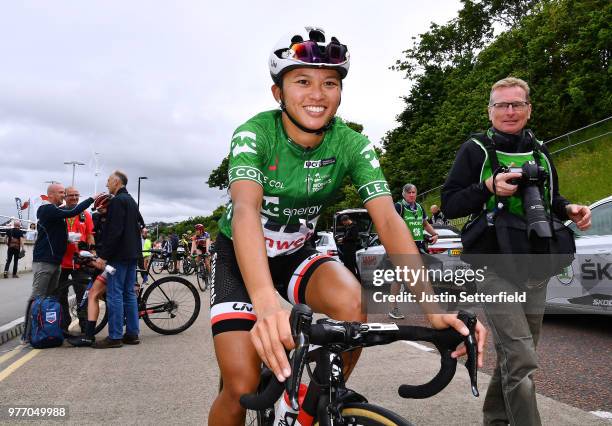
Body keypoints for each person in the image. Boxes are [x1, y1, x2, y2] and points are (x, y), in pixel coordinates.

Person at [208, 26, 487, 425]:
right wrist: (266, 301)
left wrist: (431, 307)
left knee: (355, 307)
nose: (317, 94)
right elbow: (247, 208)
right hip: (239, 254)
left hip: (294, 252)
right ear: (278, 93)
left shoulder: (351, 144)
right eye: (302, 81)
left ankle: (312, 408)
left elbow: (388, 220)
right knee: (241, 387)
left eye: (330, 82)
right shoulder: (255, 134)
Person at [442, 77, 591, 426]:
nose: (509, 111)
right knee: (521, 356)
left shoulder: (540, 149)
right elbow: (450, 203)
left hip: (535, 262)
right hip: (493, 264)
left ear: (528, 109)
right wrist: (488, 187)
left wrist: (569, 209)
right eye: (501, 105)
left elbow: (551, 199)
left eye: (517, 104)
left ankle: (495, 420)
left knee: (518, 356)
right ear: (489, 111)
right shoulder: (475, 150)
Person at [21, 183, 96, 343]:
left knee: (50, 297)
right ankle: (27, 334)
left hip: (56, 261)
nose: (64, 196)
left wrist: (69, 239)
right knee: (37, 297)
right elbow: (74, 211)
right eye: (62, 193)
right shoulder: (47, 208)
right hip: (45, 261)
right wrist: (92, 199)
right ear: (52, 194)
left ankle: (48, 330)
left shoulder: (57, 211)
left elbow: (56, 232)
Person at [92, 171, 142, 349]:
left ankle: (114, 336)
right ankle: (132, 334)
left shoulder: (117, 202)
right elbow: (139, 225)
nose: (106, 185)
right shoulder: (131, 201)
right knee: (129, 294)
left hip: (118, 256)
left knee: (114, 294)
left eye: (108, 181)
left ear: (116, 182)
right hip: (132, 254)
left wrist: (104, 255)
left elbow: (114, 231)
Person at [68, 193, 113, 347]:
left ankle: (88, 333)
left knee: (93, 293)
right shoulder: (99, 218)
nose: (99, 212)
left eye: (101, 209)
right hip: (69, 260)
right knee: (101, 293)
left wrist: (95, 254)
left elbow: (93, 236)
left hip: (110, 261)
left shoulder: (89, 216)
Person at [389, 184, 439, 319]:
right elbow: (390, 226)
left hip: (419, 246)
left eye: (414, 192)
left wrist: (435, 234)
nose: (412, 194)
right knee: (398, 278)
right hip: (402, 248)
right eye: (409, 192)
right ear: (404, 194)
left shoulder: (419, 207)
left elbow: (425, 224)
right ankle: (393, 308)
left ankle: (428, 306)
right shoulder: (398, 207)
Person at [58, 186, 95, 334]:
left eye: (76, 195)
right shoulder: (59, 212)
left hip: (80, 261)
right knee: (60, 295)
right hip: (61, 261)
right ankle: (63, 325)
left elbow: (90, 234)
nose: (74, 198)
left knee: (83, 294)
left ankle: (84, 325)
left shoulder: (85, 215)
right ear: (65, 197)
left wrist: (92, 250)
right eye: (71, 195)